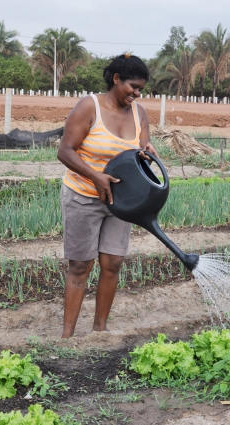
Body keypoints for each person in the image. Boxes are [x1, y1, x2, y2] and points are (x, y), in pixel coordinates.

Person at [57, 54, 158, 338]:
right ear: (116, 79)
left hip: (120, 201)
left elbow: (139, 154)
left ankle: (99, 331)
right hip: (83, 195)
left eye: (141, 89)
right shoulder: (89, 107)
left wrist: (147, 154)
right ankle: (67, 336)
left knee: (112, 262)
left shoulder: (139, 114)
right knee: (80, 265)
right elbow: (65, 151)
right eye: (133, 87)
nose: (137, 94)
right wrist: (95, 176)